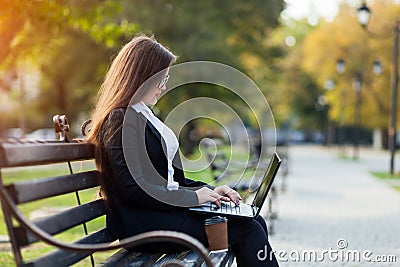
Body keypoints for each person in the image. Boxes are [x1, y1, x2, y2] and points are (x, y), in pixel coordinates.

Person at [86, 35, 279, 266]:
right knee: (247, 230)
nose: (164, 86)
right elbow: (133, 189)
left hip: (161, 214)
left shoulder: (143, 115)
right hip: (144, 224)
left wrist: (212, 191)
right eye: (160, 79)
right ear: (141, 76)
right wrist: (193, 197)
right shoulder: (119, 119)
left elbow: (172, 182)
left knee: (254, 221)